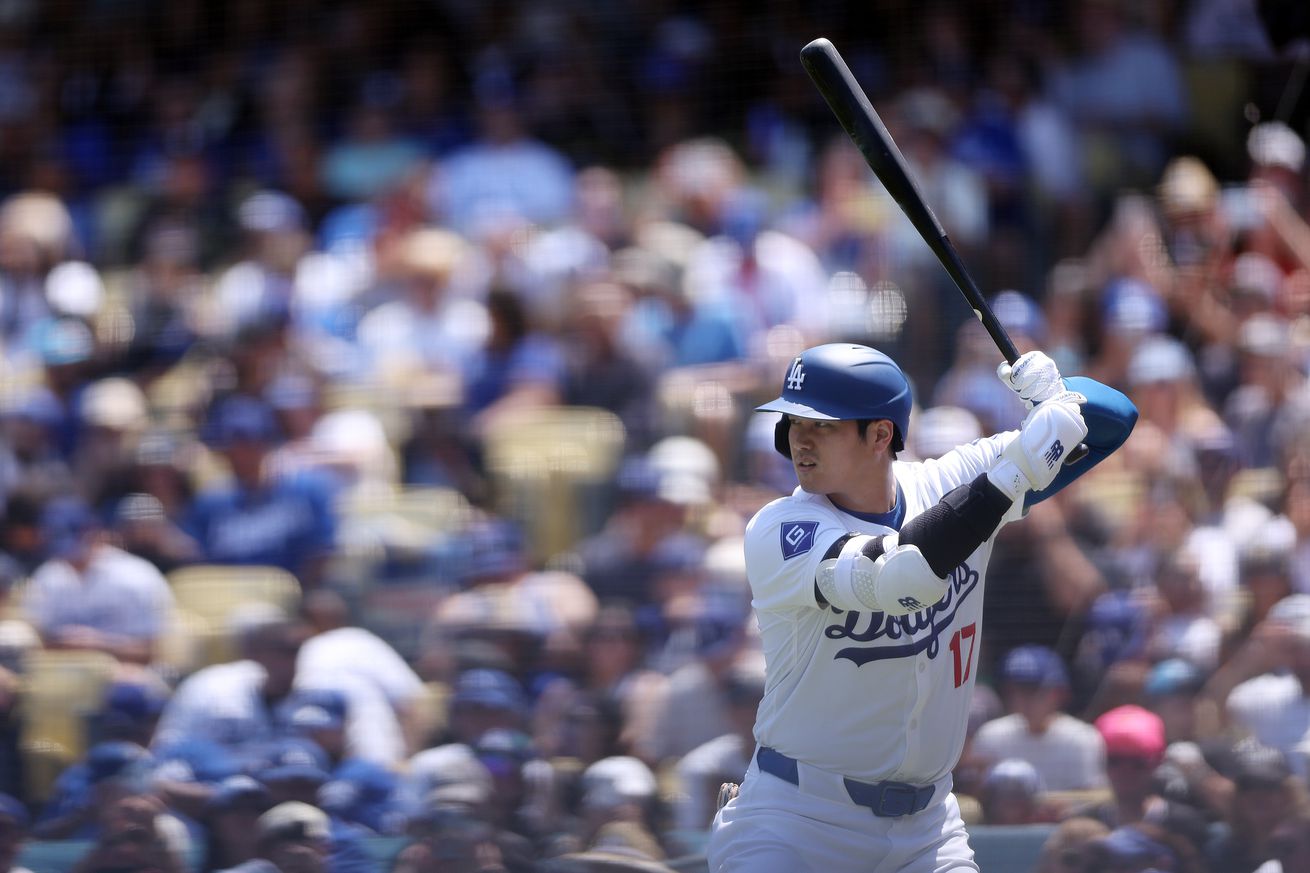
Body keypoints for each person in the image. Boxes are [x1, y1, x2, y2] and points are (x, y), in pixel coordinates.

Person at [708, 343, 1136, 872]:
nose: (800, 438)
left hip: (928, 830)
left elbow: (1116, 419)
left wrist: (1061, 399)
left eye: (824, 424)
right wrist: (1013, 474)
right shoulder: (780, 527)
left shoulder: (947, 480)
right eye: (794, 421)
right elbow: (902, 578)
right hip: (796, 820)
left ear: (881, 434)